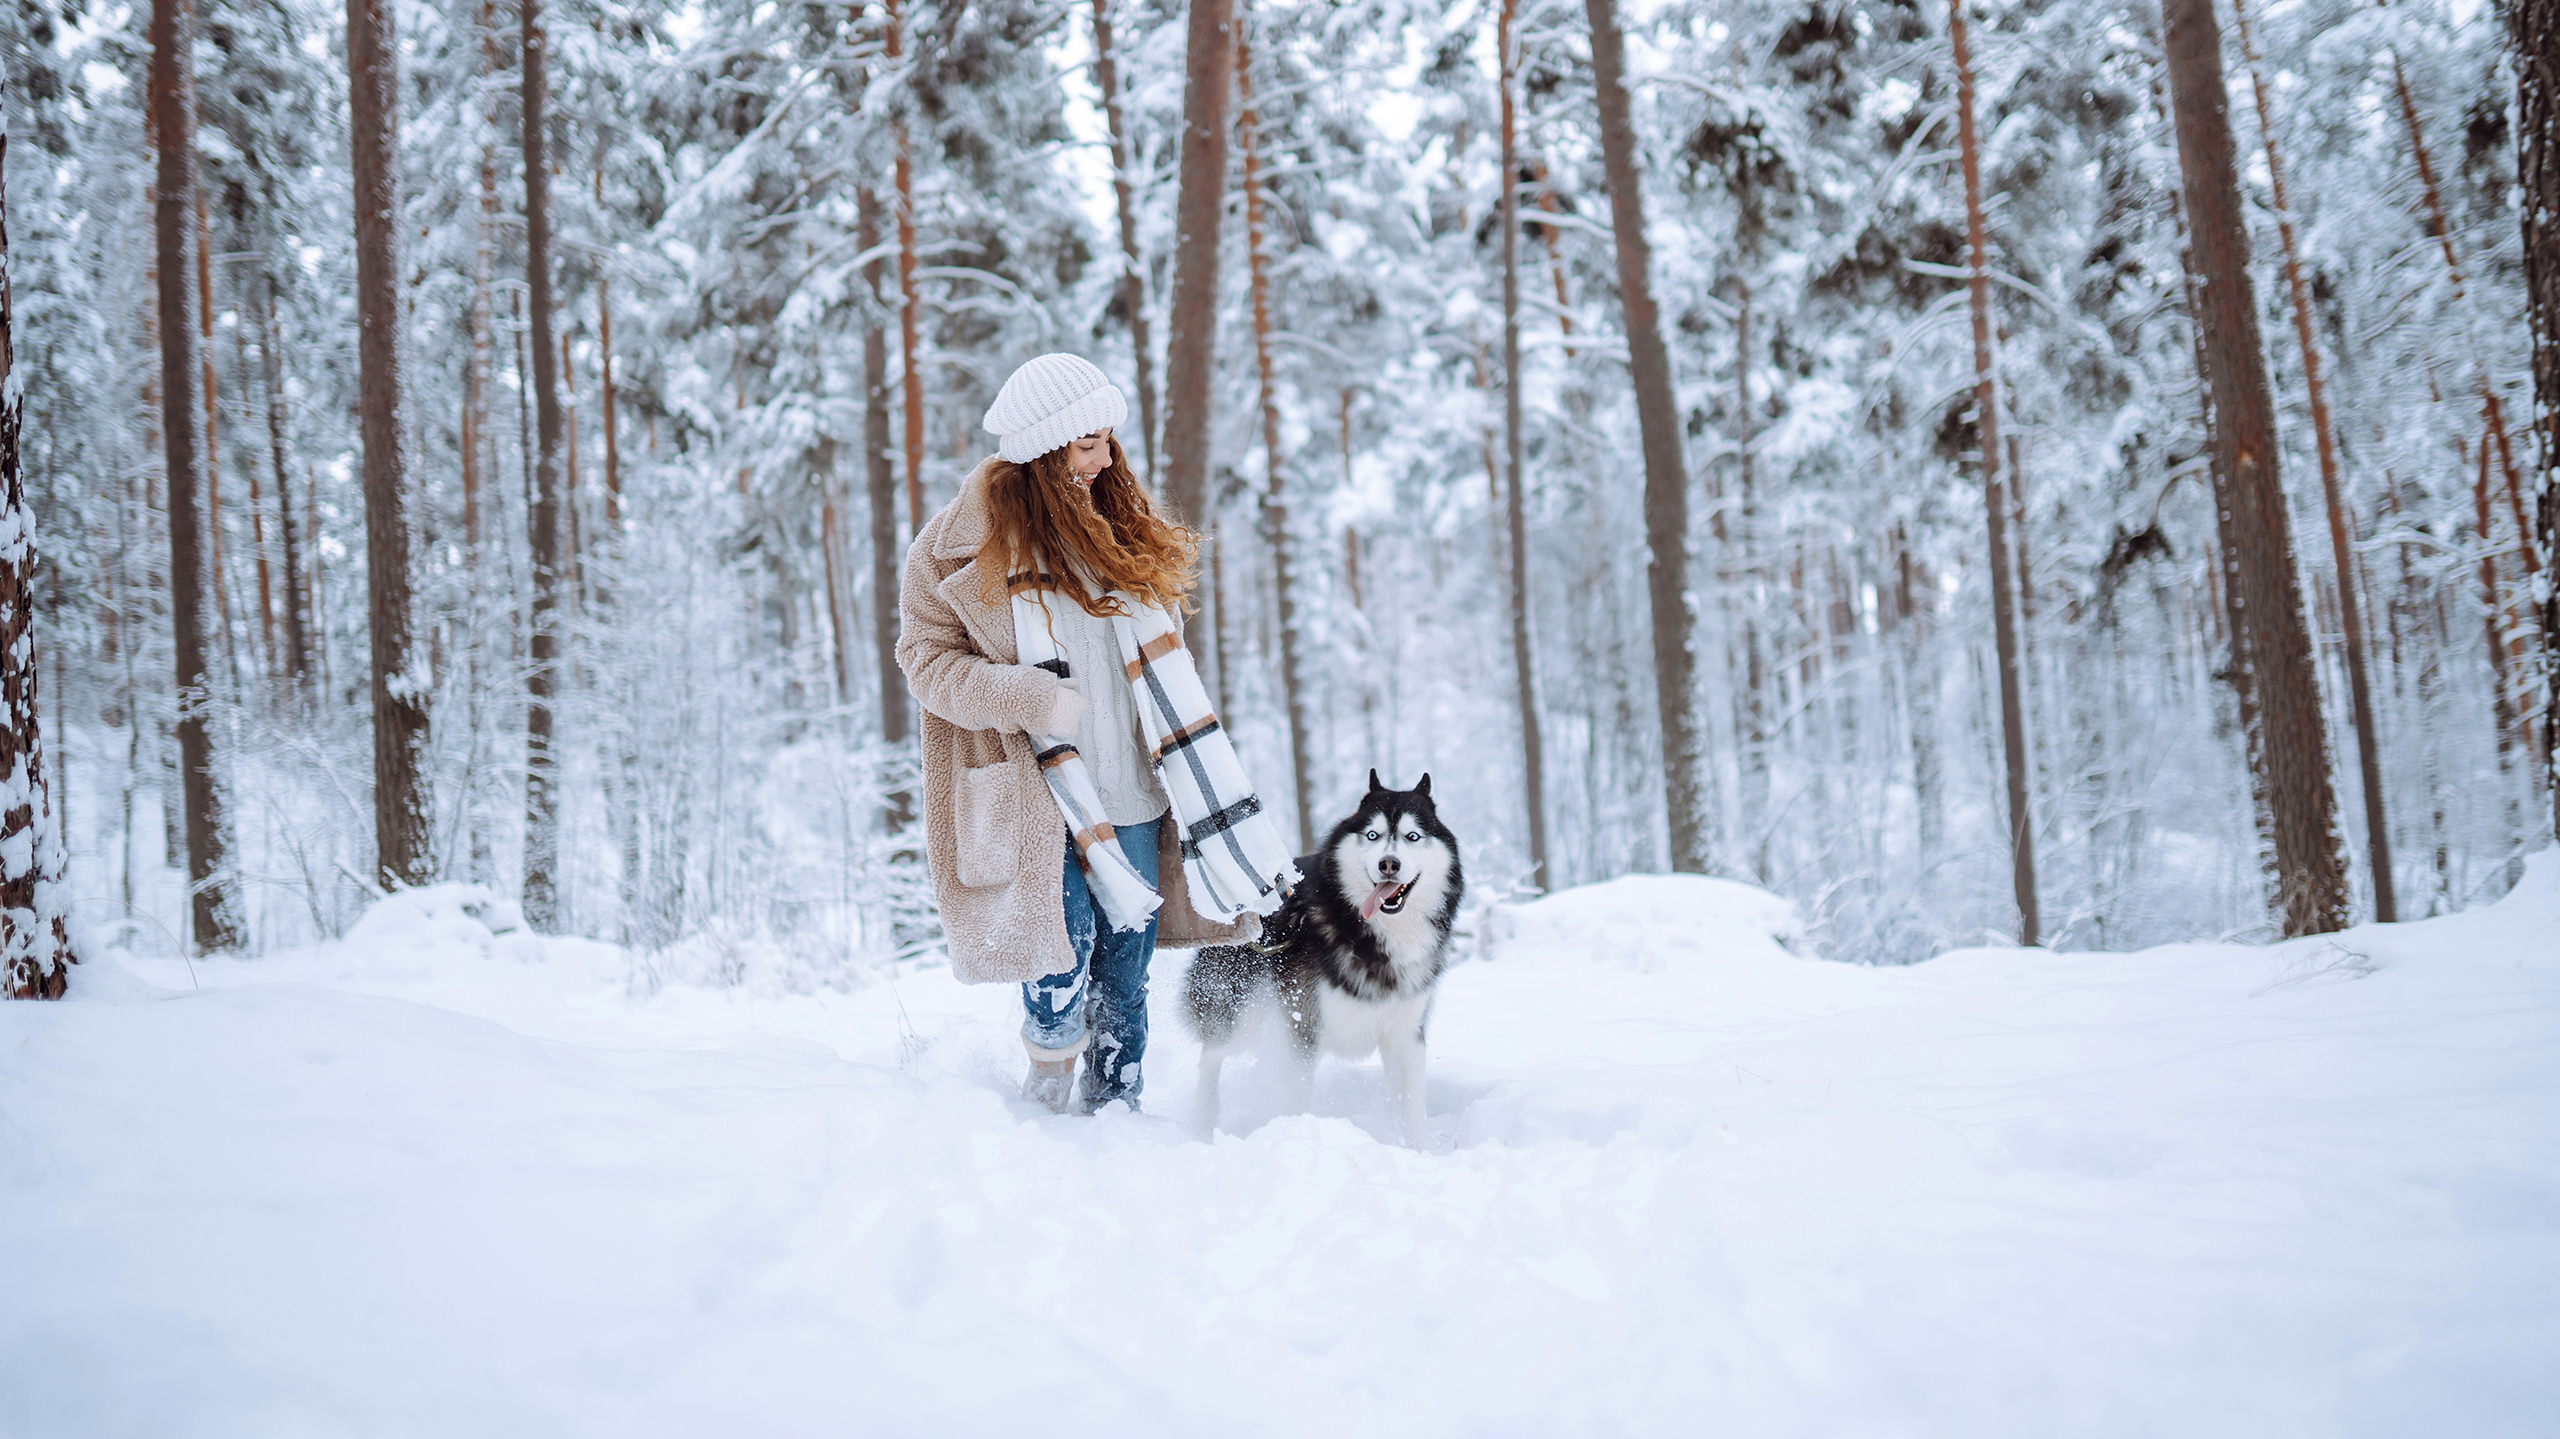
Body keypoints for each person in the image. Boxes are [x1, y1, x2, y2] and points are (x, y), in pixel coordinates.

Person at [896, 353, 1290, 1114]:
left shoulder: (1120, 534)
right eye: (1088, 444)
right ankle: (1044, 1102)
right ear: (1045, 452)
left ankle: (1119, 1110)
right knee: (1057, 957)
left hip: (1135, 789)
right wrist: (1023, 694)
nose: (1106, 458)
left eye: (1109, 440)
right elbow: (924, 661)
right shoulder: (951, 550)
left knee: (1125, 966)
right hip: (1039, 794)